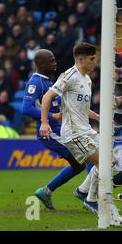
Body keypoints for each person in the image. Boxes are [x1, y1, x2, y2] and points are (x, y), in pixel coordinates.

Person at [40, 43, 115, 216]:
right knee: (102, 163)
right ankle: (90, 199)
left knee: (110, 160)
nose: (95, 62)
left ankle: (83, 191)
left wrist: (97, 117)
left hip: (86, 130)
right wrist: (45, 122)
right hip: (74, 133)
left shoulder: (87, 79)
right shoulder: (69, 76)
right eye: (92, 58)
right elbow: (47, 97)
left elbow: (79, 107)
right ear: (81, 59)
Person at [22, 49, 87, 211]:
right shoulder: (35, 82)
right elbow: (26, 108)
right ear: (41, 64)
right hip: (50, 131)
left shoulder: (48, 82)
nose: (55, 63)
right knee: (87, 154)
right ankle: (89, 195)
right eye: (51, 60)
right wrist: (53, 117)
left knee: (79, 165)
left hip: (60, 129)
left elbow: (58, 102)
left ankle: (46, 191)